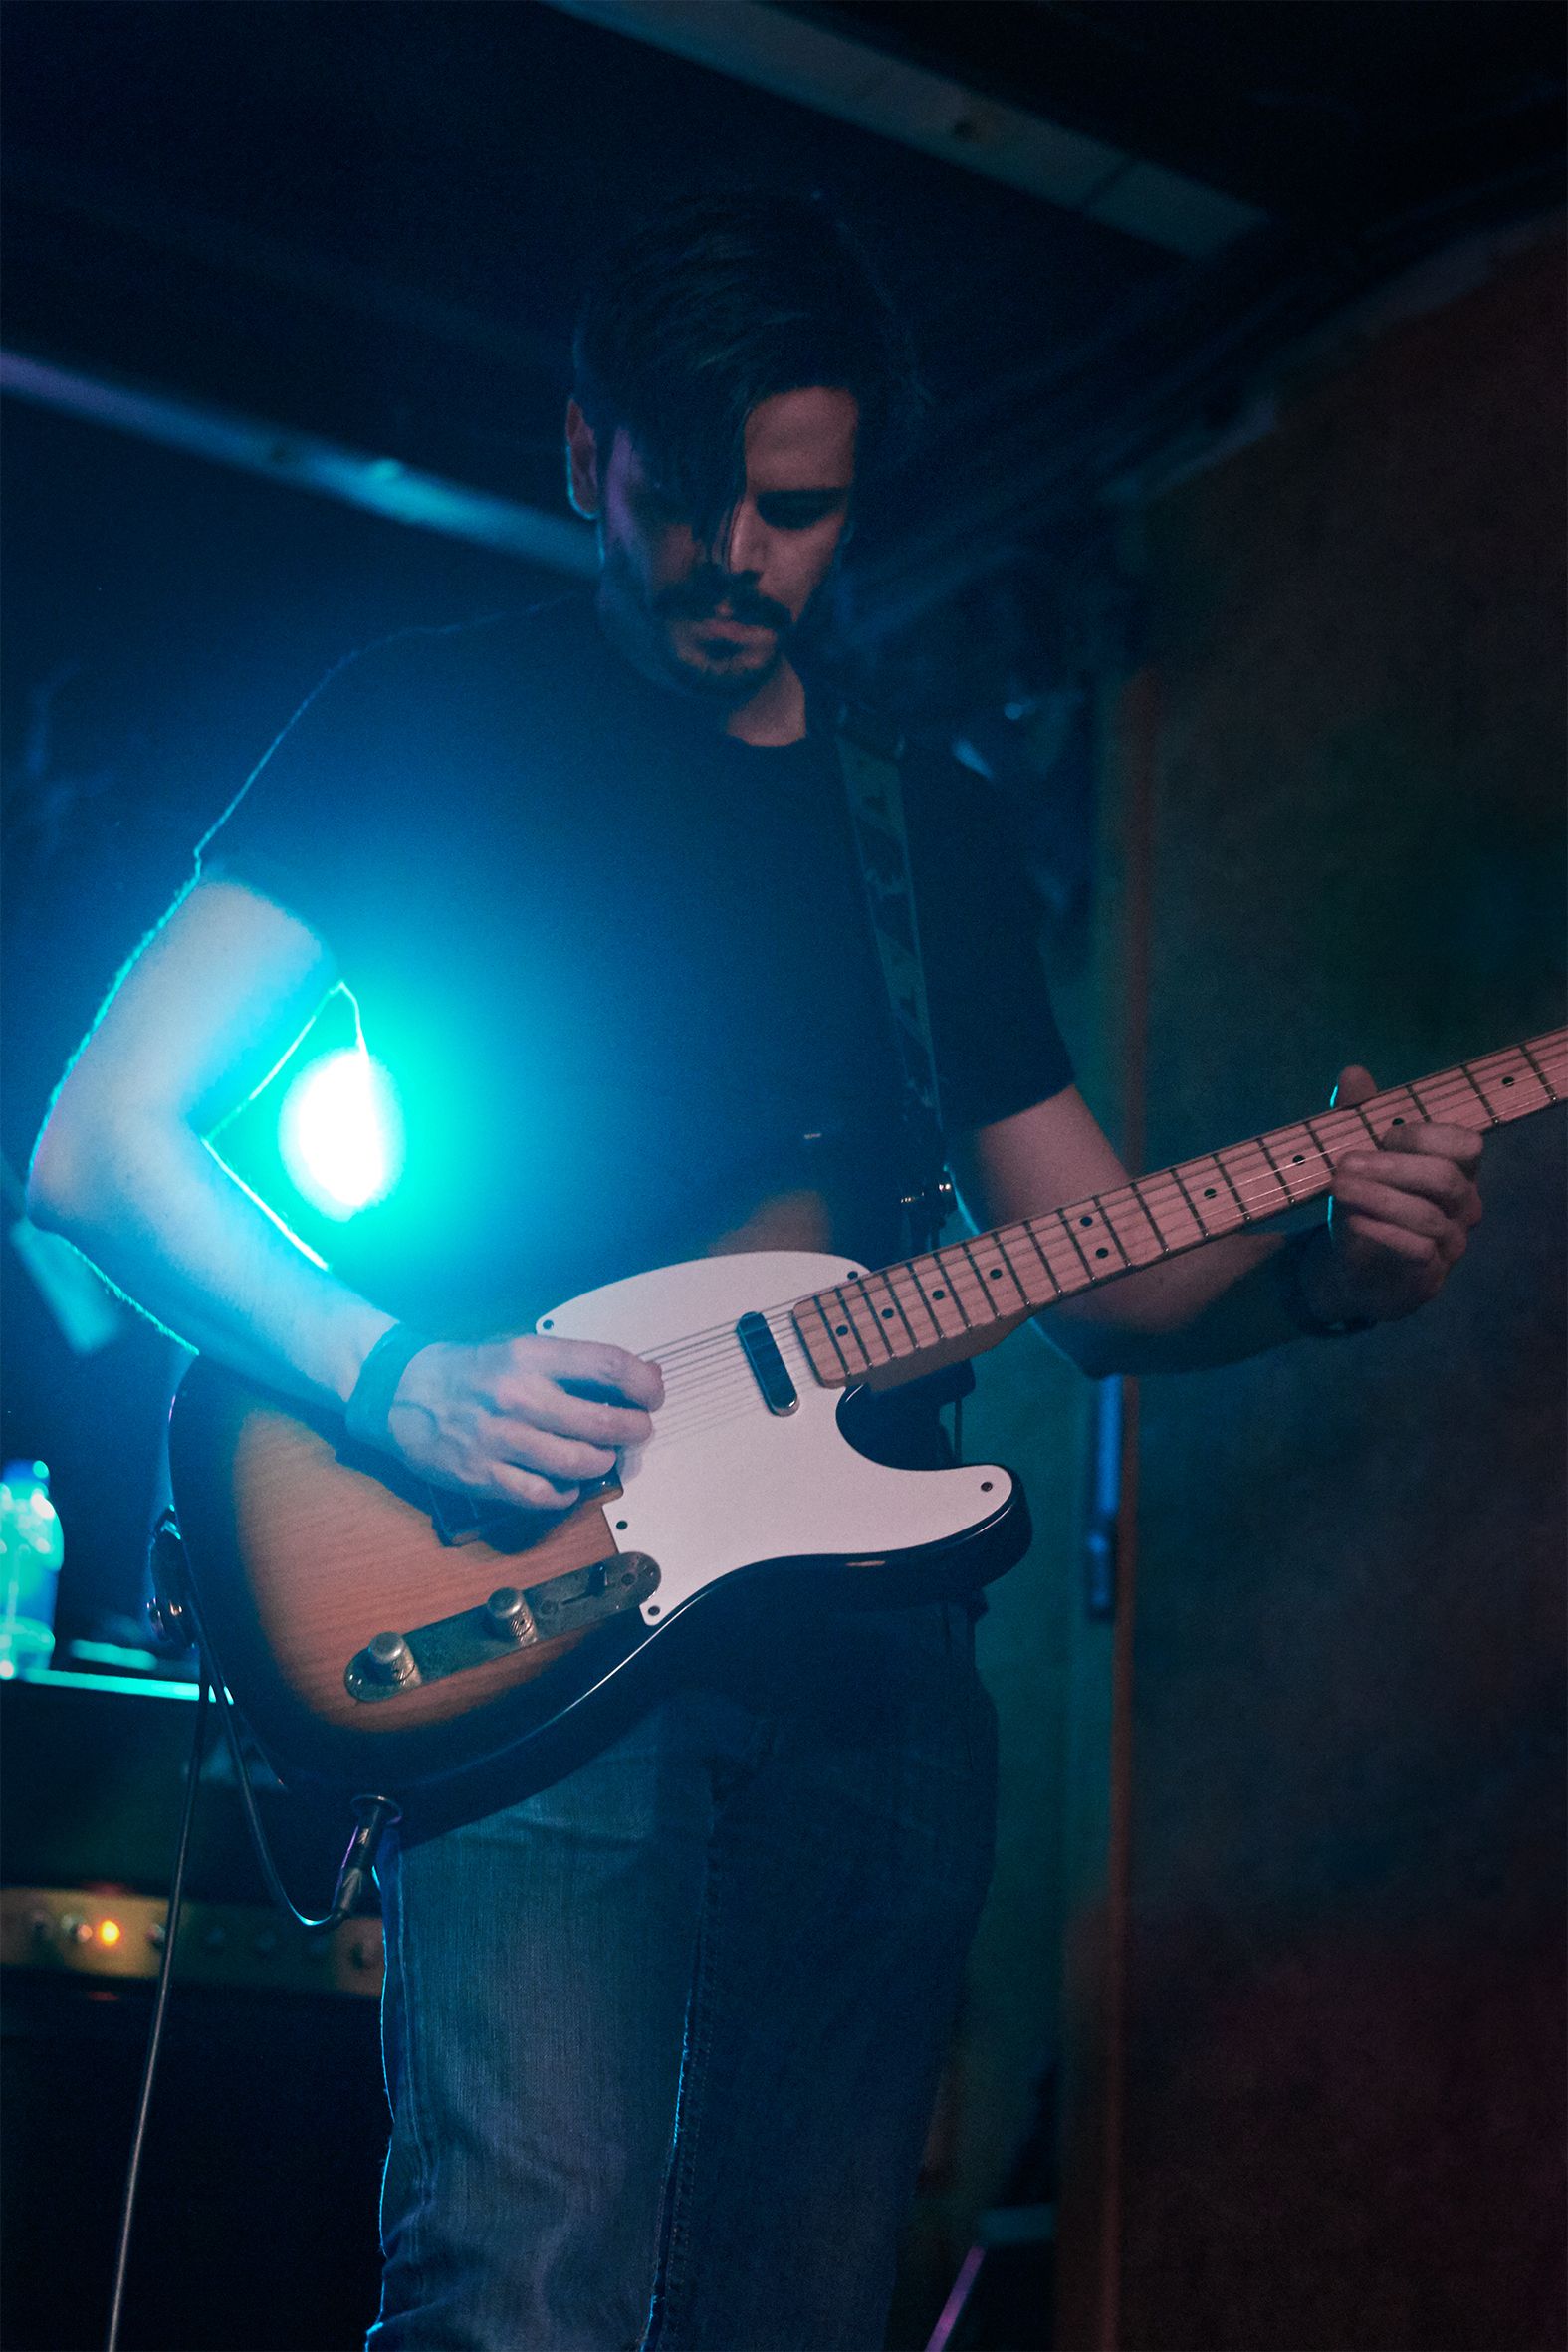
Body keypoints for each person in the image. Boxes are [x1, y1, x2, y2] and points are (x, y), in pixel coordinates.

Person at [27, 193, 1485, 2352]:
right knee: (523, 2285)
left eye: (792, 511)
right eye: (682, 498)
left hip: (872, 1675)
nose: (735, 559)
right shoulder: (415, 722)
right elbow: (94, 1140)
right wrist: (390, 1371)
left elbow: (1099, 1275)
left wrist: (1330, 1277)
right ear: (580, 454)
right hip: (522, 1600)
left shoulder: (925, 821)